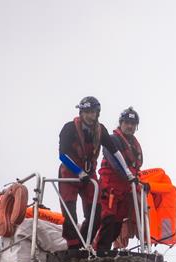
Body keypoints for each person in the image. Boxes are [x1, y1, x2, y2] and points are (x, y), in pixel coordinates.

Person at [58, 96, 138, 249]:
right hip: (69, 174)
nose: (89, 115)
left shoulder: (101, 131)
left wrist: (129, 174)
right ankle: (73, 248)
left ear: (97, 113)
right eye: (86, 112)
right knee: (70, 214)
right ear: (81, 113)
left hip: (89, 176)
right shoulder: (69, 128)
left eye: (92, 112)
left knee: (95, 214)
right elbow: (62, 155)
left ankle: (85, 244)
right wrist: (79, 172)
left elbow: (115, 152)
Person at [96, 107, 145, 250]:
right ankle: (99, 252)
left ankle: (104, 251)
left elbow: (136, 169)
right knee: (108, 219)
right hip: (110, 187)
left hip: (125, 190)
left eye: (133, 123)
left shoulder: (135, 147)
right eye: (127, 122)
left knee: (118, 225)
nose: (129, 126)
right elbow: (115, 163)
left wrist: (139, 182)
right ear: (121, 123)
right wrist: (129, 177)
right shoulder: (112, 140)